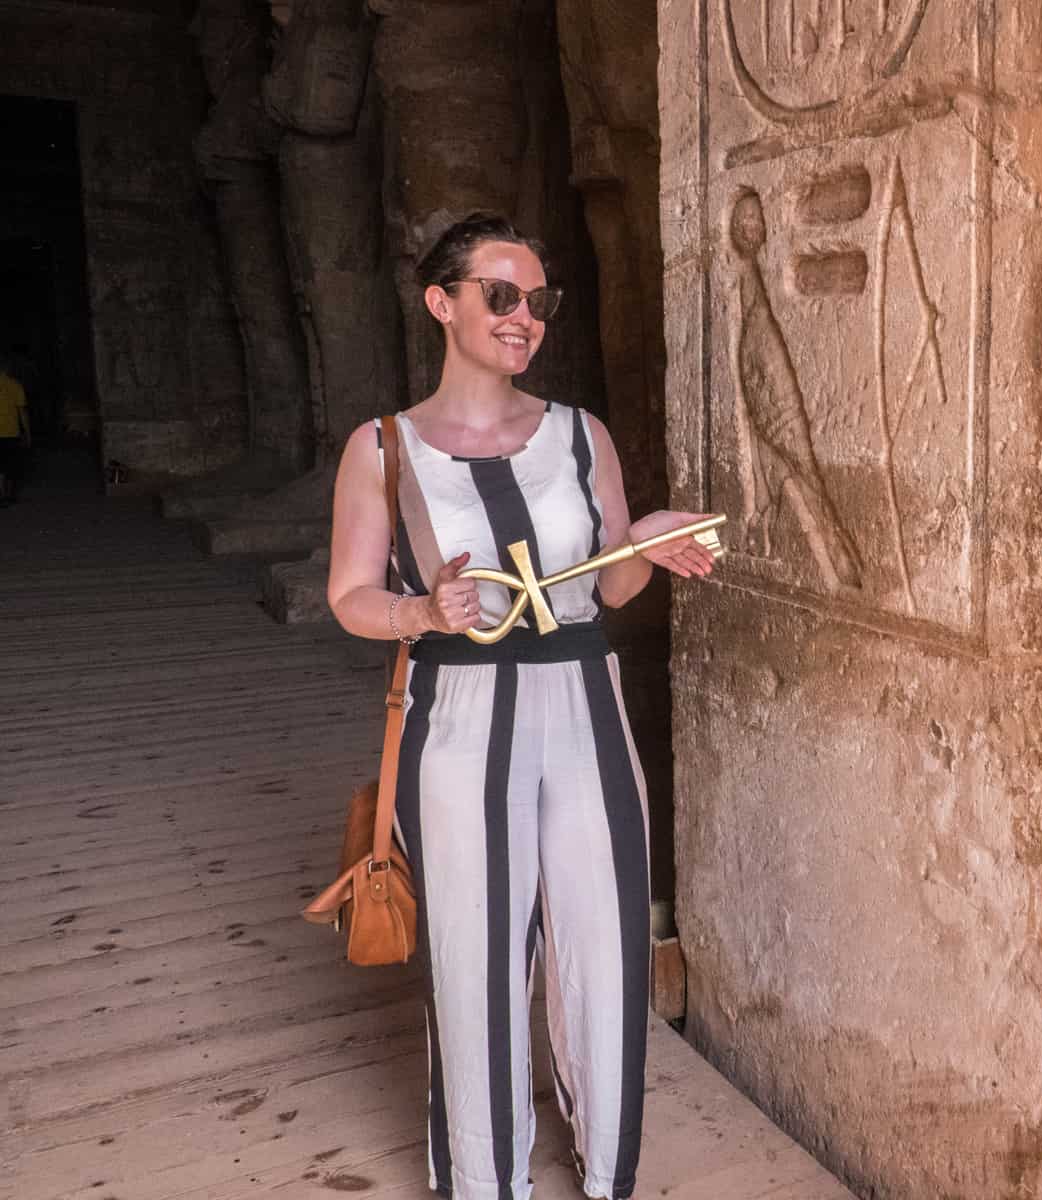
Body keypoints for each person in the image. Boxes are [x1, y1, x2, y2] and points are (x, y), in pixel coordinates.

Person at [326, 213, 716, 1200]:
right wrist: (420, 607)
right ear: (441, 303)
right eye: (500, 295)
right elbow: (349, 596)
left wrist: (653, 543)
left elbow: (612, 585)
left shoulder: (582, 436)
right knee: (476, 958)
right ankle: (483, 1182)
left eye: (536, 300)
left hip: (587, 706)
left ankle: (606, 1171)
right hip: (457, 720)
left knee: (607, 941)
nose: (523, 317)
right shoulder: (382, 449)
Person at [0, 355, 30, 504]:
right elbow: (22, 412)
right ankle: (8, 495)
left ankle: (1, 493)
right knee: (10, 465)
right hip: (11, 432)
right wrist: (27, 432)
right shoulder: (15, 385)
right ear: (7, 368)